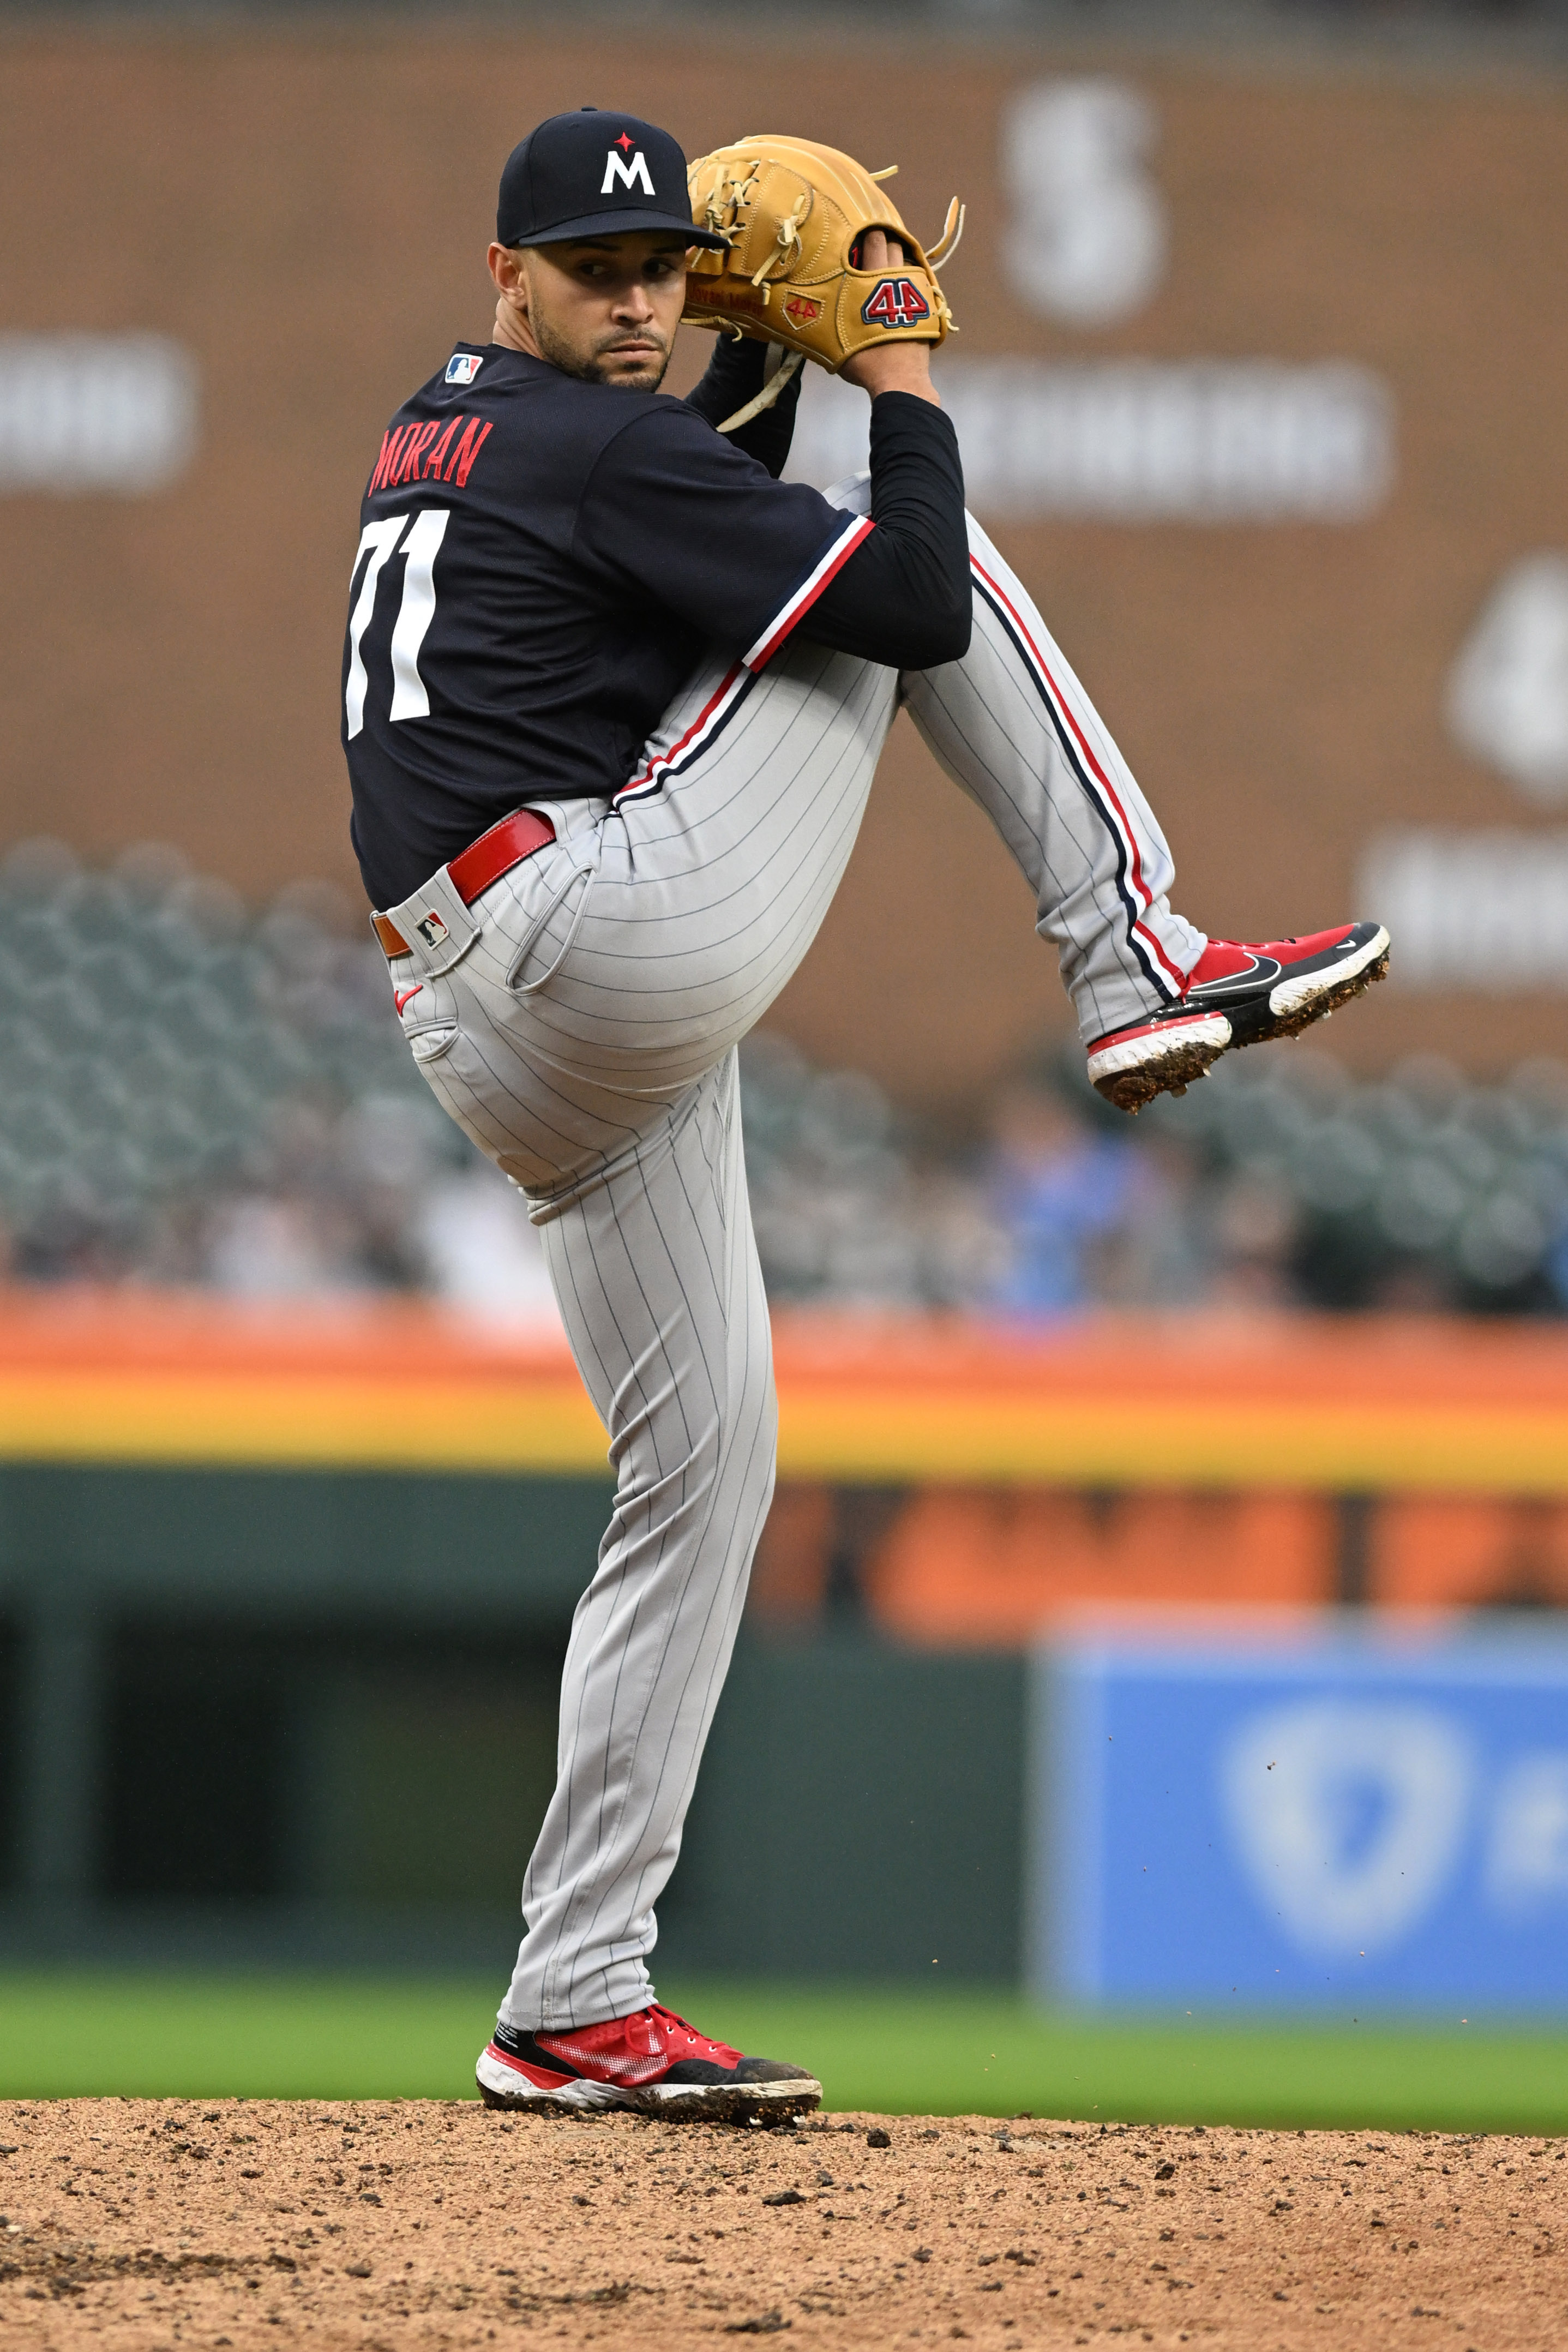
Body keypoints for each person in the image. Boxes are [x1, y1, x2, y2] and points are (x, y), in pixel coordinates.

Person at [341, 106, 1388, 2118]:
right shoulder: (592, 441)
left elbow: (669, 548)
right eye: (596, 273)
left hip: (499, 1018)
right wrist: (884, 351)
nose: (640, 305)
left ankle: (572, 1999)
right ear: (508, 277)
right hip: (592, 939)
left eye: (664, 270)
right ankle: (1131, 948)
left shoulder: (462, 430)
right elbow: (897, 602)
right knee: (900, 518)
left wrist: (770, 372)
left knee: (706, 1468)